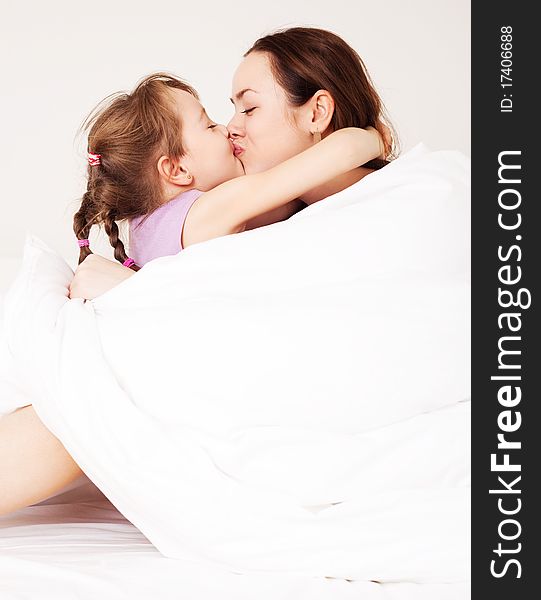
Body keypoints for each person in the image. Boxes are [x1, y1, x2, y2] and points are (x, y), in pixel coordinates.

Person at [0, 27, 395, 516]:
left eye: (246, 109)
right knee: (72, 414)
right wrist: (372, 134)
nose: (230, 129)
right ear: (177, 171)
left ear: (317, 110)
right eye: (213, 122)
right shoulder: (211, 209)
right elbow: (304, 176)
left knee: (66, 414)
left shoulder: (163, 223)